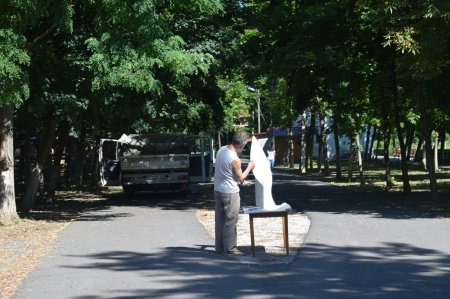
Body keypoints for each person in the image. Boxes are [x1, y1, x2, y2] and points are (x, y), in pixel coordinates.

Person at [214, 131, 255, 256]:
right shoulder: (234, 159)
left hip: (218, 189)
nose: (245, 147)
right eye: (245, 144)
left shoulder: (221, 150)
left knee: (220, 218)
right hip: (230, 192)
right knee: (231, 219)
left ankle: (220, 247)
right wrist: (250, 167)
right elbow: (241, 178)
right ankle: (230, 248)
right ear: (241, 144)